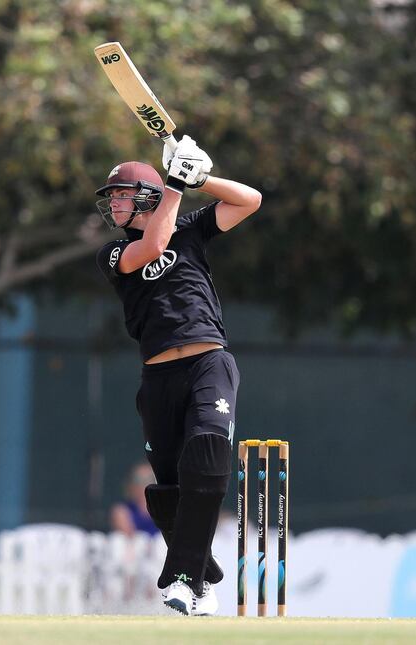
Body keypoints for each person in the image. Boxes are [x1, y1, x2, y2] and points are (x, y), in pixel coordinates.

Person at [94, 136, 261, 616]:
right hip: (158, 378)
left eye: (122, 195)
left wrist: (197, 177)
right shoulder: (112, 255)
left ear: (145, 196)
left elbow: (249, 200)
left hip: (209, 362)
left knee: (207, 452)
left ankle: (183, 577)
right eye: (113, 198)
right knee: (168, 491)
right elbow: (152, 247)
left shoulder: (190, 229)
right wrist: (176, 184)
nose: (115, 205)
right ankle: (202, 578)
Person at [110, 462, 160, 537]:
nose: (144, 485)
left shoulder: (165, 511)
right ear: (131, 485)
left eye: (149, 479)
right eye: (138, 480)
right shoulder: (123, 512)